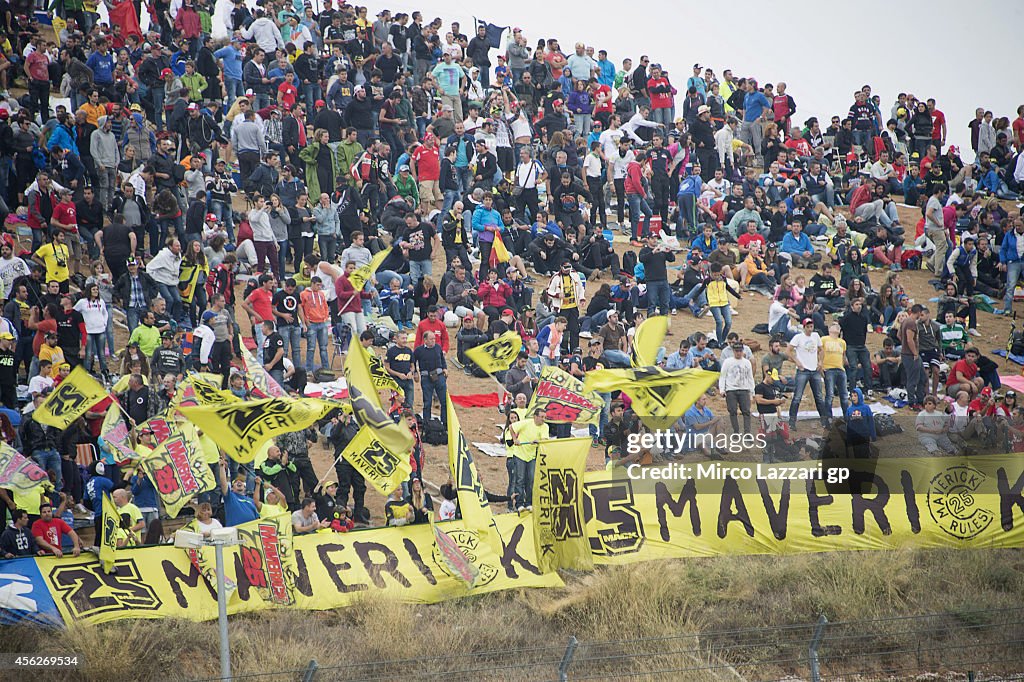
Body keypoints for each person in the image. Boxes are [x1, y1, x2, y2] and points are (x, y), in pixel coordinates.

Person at [788, 318, 830, 430]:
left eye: (811, 326)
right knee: (797, 397)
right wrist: (797, 361)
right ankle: (792, 422)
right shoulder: (798, 337)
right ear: (804, 327)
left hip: (814, 369)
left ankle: (824, 421)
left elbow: (821, 349)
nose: (810, 329)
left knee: (819, 397)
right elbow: (789, 350)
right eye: (808, 326)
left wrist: (820, 361)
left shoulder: (816, 336)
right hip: (803, 370)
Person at [718, 343, 754, 434]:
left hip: (744, 389)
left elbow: (750, 377)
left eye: (740, 351)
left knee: (746, 412)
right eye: (736, 351)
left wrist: (752, 391)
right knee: (732, 411)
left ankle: (747, 432)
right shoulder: (728, 362)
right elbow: (723, 376)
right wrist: (722, 389)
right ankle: (736, 431)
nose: (738, 353)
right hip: (731, 389)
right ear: (733, 351)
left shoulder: (747, 362)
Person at [414, 330, 448, 425]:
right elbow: (412, 362)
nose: (433, 340)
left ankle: (445, 423)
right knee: (427, 402)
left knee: (444, 401)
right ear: (425, 340)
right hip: (426, 378)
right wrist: (415, 372)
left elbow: (442, 358)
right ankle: (427, 424)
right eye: (431, 339)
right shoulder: (419, 350)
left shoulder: (437, 347)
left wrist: (445, 368)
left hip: (439, 376)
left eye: (434, 338)